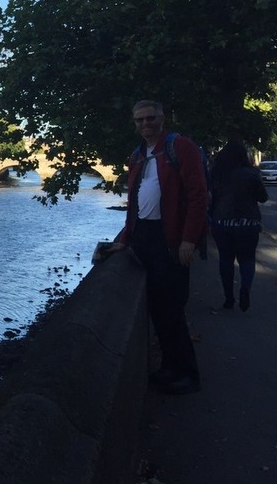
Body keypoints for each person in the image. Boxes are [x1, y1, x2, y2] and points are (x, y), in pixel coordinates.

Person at [113, 100, 207, 395]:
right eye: (139, 120)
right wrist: (125, 239)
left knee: (172, 307)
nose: (145, 124)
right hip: (145, 237)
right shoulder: (139, 155)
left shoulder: (180, 148)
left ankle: (187, 375)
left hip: (171, 239)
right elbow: (135, 204)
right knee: (158, 308)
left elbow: (198, 197)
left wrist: (189, 240)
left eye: (150, 118)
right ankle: (169, 367)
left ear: (162, 119)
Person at [209, 139, 268, 311]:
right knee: (247, 259)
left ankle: (229, 298)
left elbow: (211, 198)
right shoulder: (251, 174)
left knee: (226, 259)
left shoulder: (217, 174)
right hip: (248, 223)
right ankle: (245, 288)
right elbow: (263, 197)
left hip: (222, 222)